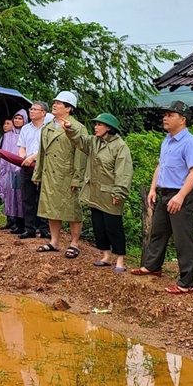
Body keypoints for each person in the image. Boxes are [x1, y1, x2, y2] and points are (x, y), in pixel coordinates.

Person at [131, 101, 193, 295]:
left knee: (183, 240)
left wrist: (180, 196)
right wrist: (154, 189)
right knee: (158, 232)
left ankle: (186, 283)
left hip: (182, 196)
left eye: (171, 114)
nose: (165, 117)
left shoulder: (190, 143)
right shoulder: (167, 140)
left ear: (182, 119)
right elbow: (160, 166)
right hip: (165, 193)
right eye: (165, 114)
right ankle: (152, 267)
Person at [63, 113, 134, 272]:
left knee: (113, 227)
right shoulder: (93, 142)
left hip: (110, 194)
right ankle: (106, 256)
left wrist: (119, 193)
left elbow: (123, 172)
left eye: (99, 125)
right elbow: (79, 140)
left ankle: (120, 260)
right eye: (95, 124)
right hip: (94, 192)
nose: (95, 127)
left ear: (109, 128)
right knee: (99, 226)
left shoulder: (120, 146)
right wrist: (70, 128)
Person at [33, 91, 87, 258]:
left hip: (67, 174)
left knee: (72, 209)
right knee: (51, 208)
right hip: (50, 173)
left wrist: (77, 178)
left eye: (59, 103)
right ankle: (54, 241)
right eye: (54, 102)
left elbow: (81, 154)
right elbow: (42, 152)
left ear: (69, 108)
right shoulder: (47, 127)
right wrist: (38, 173)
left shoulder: (78, 128)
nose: (55, 105)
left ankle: (74, 243)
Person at [16, 101, 53, 239]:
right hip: (27, 166)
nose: (31, 111)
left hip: (44, 166)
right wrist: (22, 157)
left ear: (43, 113)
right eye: (31, 109)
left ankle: (44, 229)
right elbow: (22, 146)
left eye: (35, 109)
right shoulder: (25, 128)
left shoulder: (49, 128)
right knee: (27, 197)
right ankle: (29, 228)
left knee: (43, 197)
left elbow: (47, 148)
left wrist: (32, 157)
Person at [0, 110, 28, 233]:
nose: (17, 121)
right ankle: (12, 222)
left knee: (20, 195)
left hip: (19, 169)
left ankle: (22, 224)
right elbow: (1, 152)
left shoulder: (26, 134)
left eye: (20, 118)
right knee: (9, 194)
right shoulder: (6, 136)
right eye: (16, 118)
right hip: (7, 169)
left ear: (25, 120)